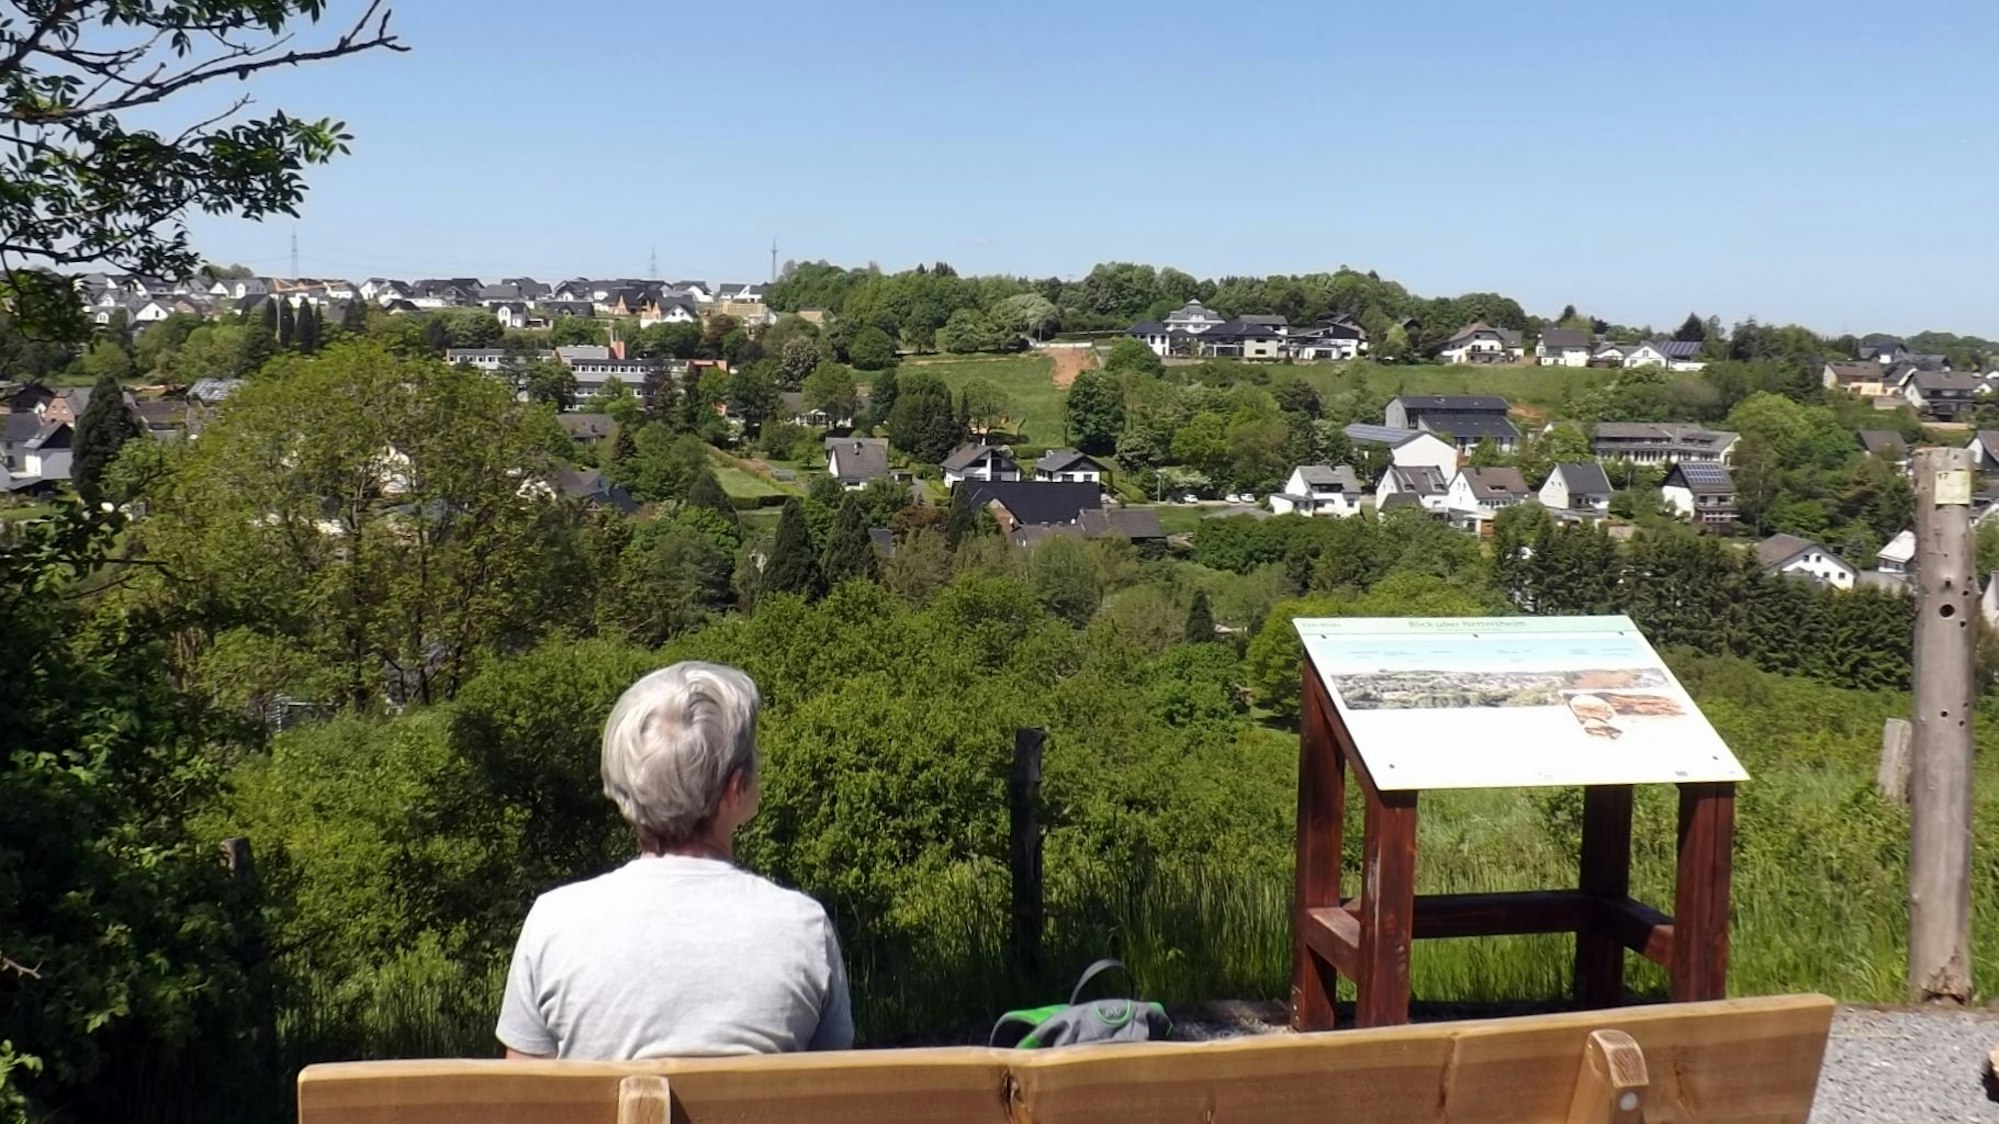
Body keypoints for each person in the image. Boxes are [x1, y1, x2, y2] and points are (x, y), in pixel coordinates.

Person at [497, 661, 853, 1058]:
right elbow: (837, 1087)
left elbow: (521, 1090)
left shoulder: (552, 924)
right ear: (736, 788)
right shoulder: (804, 929)